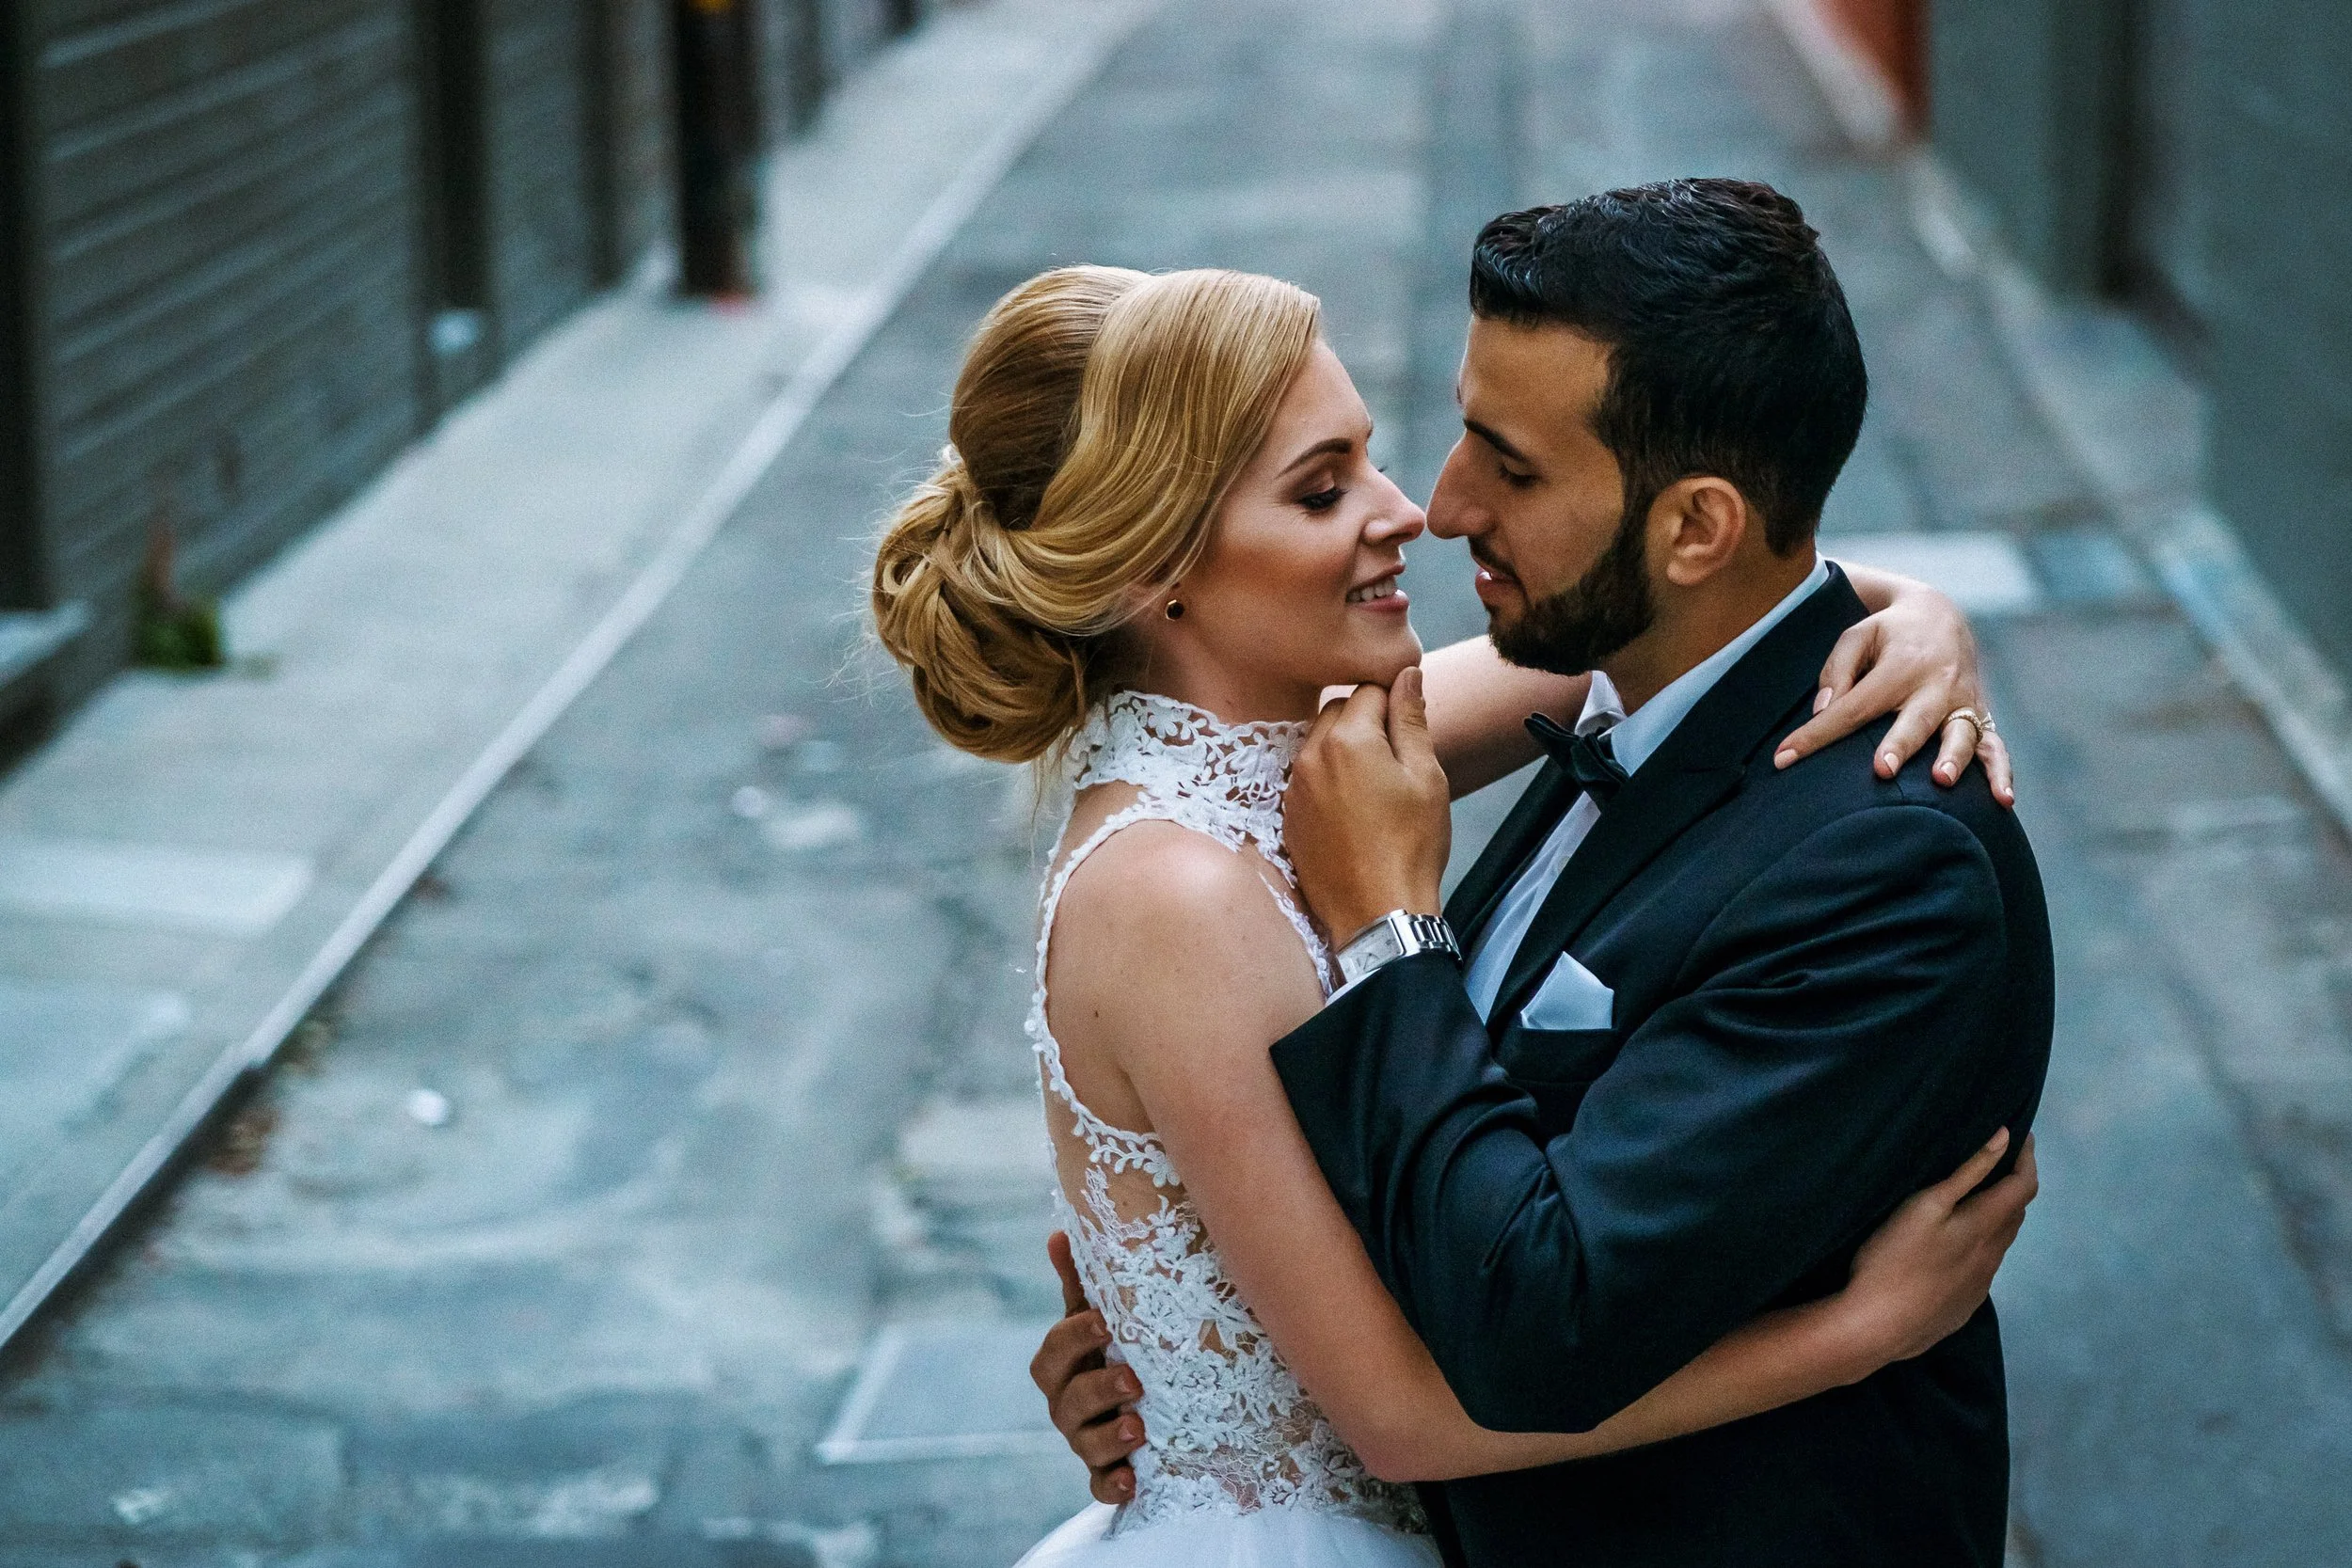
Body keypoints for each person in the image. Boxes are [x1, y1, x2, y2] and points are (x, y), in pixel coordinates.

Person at [872, 256, 2036, 1568]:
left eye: (1369, 457)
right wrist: (1858, 1333)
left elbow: (1691, 617)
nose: (1406, 513)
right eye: (1323, 491)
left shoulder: (1327, 743)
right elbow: (1404, 1420)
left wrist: (1921, 615)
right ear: (1160, 568)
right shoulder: (1176, 894)